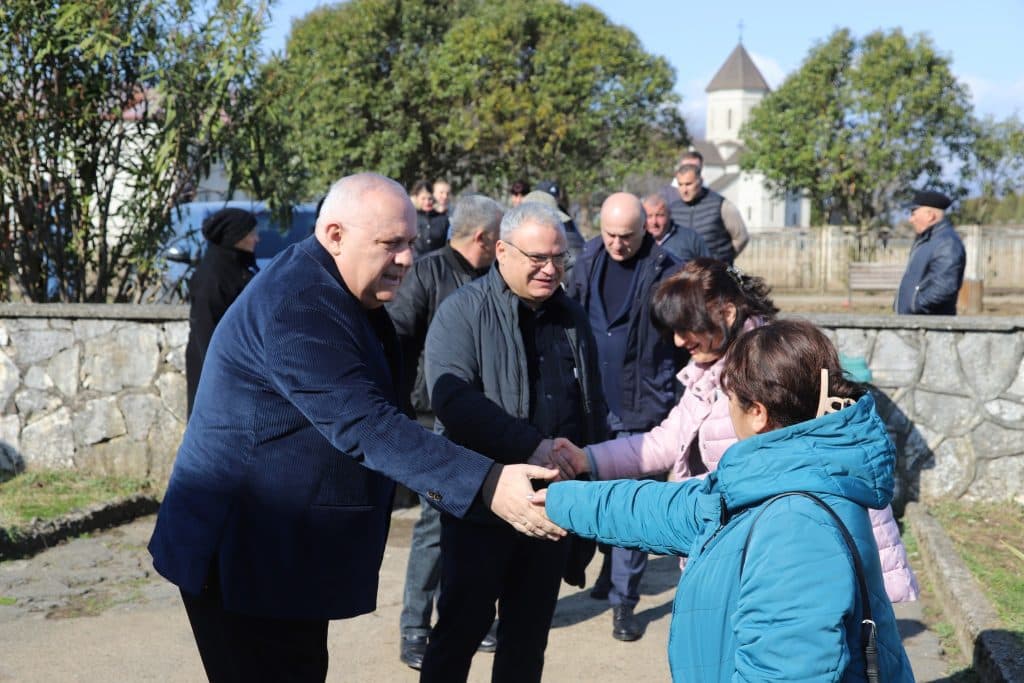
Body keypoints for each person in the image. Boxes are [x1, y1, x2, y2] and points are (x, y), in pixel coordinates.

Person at [148, 173, 565, 683]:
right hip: (241, 559)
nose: (408, 259)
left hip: (281, 557)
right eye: (391, 244)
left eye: (411, 243)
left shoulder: (338, 288)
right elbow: (365, 422)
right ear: (336, 235)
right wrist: (488, 482)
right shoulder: (298, 304)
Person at [538, 319, 916, 682]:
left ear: (757, 414)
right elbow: (661, 509)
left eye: (728, 398)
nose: (725, 408)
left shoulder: (796, 526)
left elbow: (784, 672)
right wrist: (551, 499)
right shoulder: (773, 481)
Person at [551, 258, 919, 605]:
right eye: (673, 330)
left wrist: (882, 580)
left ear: (726, 313)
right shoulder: (713, 371)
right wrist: (588, 458)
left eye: (686, 326)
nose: (679, 341)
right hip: (732, 554)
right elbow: (667, 441)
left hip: (773, 566)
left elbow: (839, 464)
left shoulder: (773, 370)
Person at [418, 202, 608, 683]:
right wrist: (531, 445)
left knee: (527, 640)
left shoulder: (572, 318)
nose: (551, 269)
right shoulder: (462, 311)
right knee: (460, 631)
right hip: (482, 507)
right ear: (501, 251)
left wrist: (591, 476)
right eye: (537, 258)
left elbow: (591, 407)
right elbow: (454, 403)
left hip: (551, 508)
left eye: (559, 258)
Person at [387, 194, 504, 669]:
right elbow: (396, 339)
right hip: (435, 421)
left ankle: (473, 617)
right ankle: (415, 626)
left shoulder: (496, 279)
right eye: (500, 237)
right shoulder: (428, 273)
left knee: (485, 523)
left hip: (489, 421)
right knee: (435, 524)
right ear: (482, 237)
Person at [564, 192, 685, 642]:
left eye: (627, 236)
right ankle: (604, 574)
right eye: (610, 234)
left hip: (643, 405)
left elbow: (679, 337)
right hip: (592, 403)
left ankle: (624, 604)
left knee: (632, 509)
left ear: (646, 230)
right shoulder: (587, 259)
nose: (617, 244)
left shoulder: (667, 271)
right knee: (596, 499)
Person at [184, 207, 260, 418]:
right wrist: (224, 372)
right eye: (251, 233)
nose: (257, 239)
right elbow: (206, 330)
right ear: (235, 237)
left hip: (241, 366)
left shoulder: (242, 267)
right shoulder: (212, 277)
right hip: (220, 371)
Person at [662, 151, 749, 264]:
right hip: (685, 275)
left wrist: (724, 259)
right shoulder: (673, 210)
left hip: (716, 274)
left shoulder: (721, 205)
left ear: (700, 181)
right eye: (680, 184)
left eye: (689, 184)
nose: (684, 189)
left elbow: (741, 237)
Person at [895, 189, 965, 315]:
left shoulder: (947, 244)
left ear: (930, 215)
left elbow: (943, 288)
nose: (911, 219)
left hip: (930, 327)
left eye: (913, 213)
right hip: (914, 323)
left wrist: (914, 306)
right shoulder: (928, 240)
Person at [641, 192, 711, 264]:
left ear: (669, 214)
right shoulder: (639, 245)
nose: (654, 222)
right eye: (649, 216)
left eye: (659, 215)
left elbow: (710, 268)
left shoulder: (690, 238)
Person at [410, 179, 447, 257]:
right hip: (416, 263)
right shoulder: (411, 218)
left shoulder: (442, 218)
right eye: (423, 199)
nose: (427, 202)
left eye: (429, 198)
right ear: (417, 198)